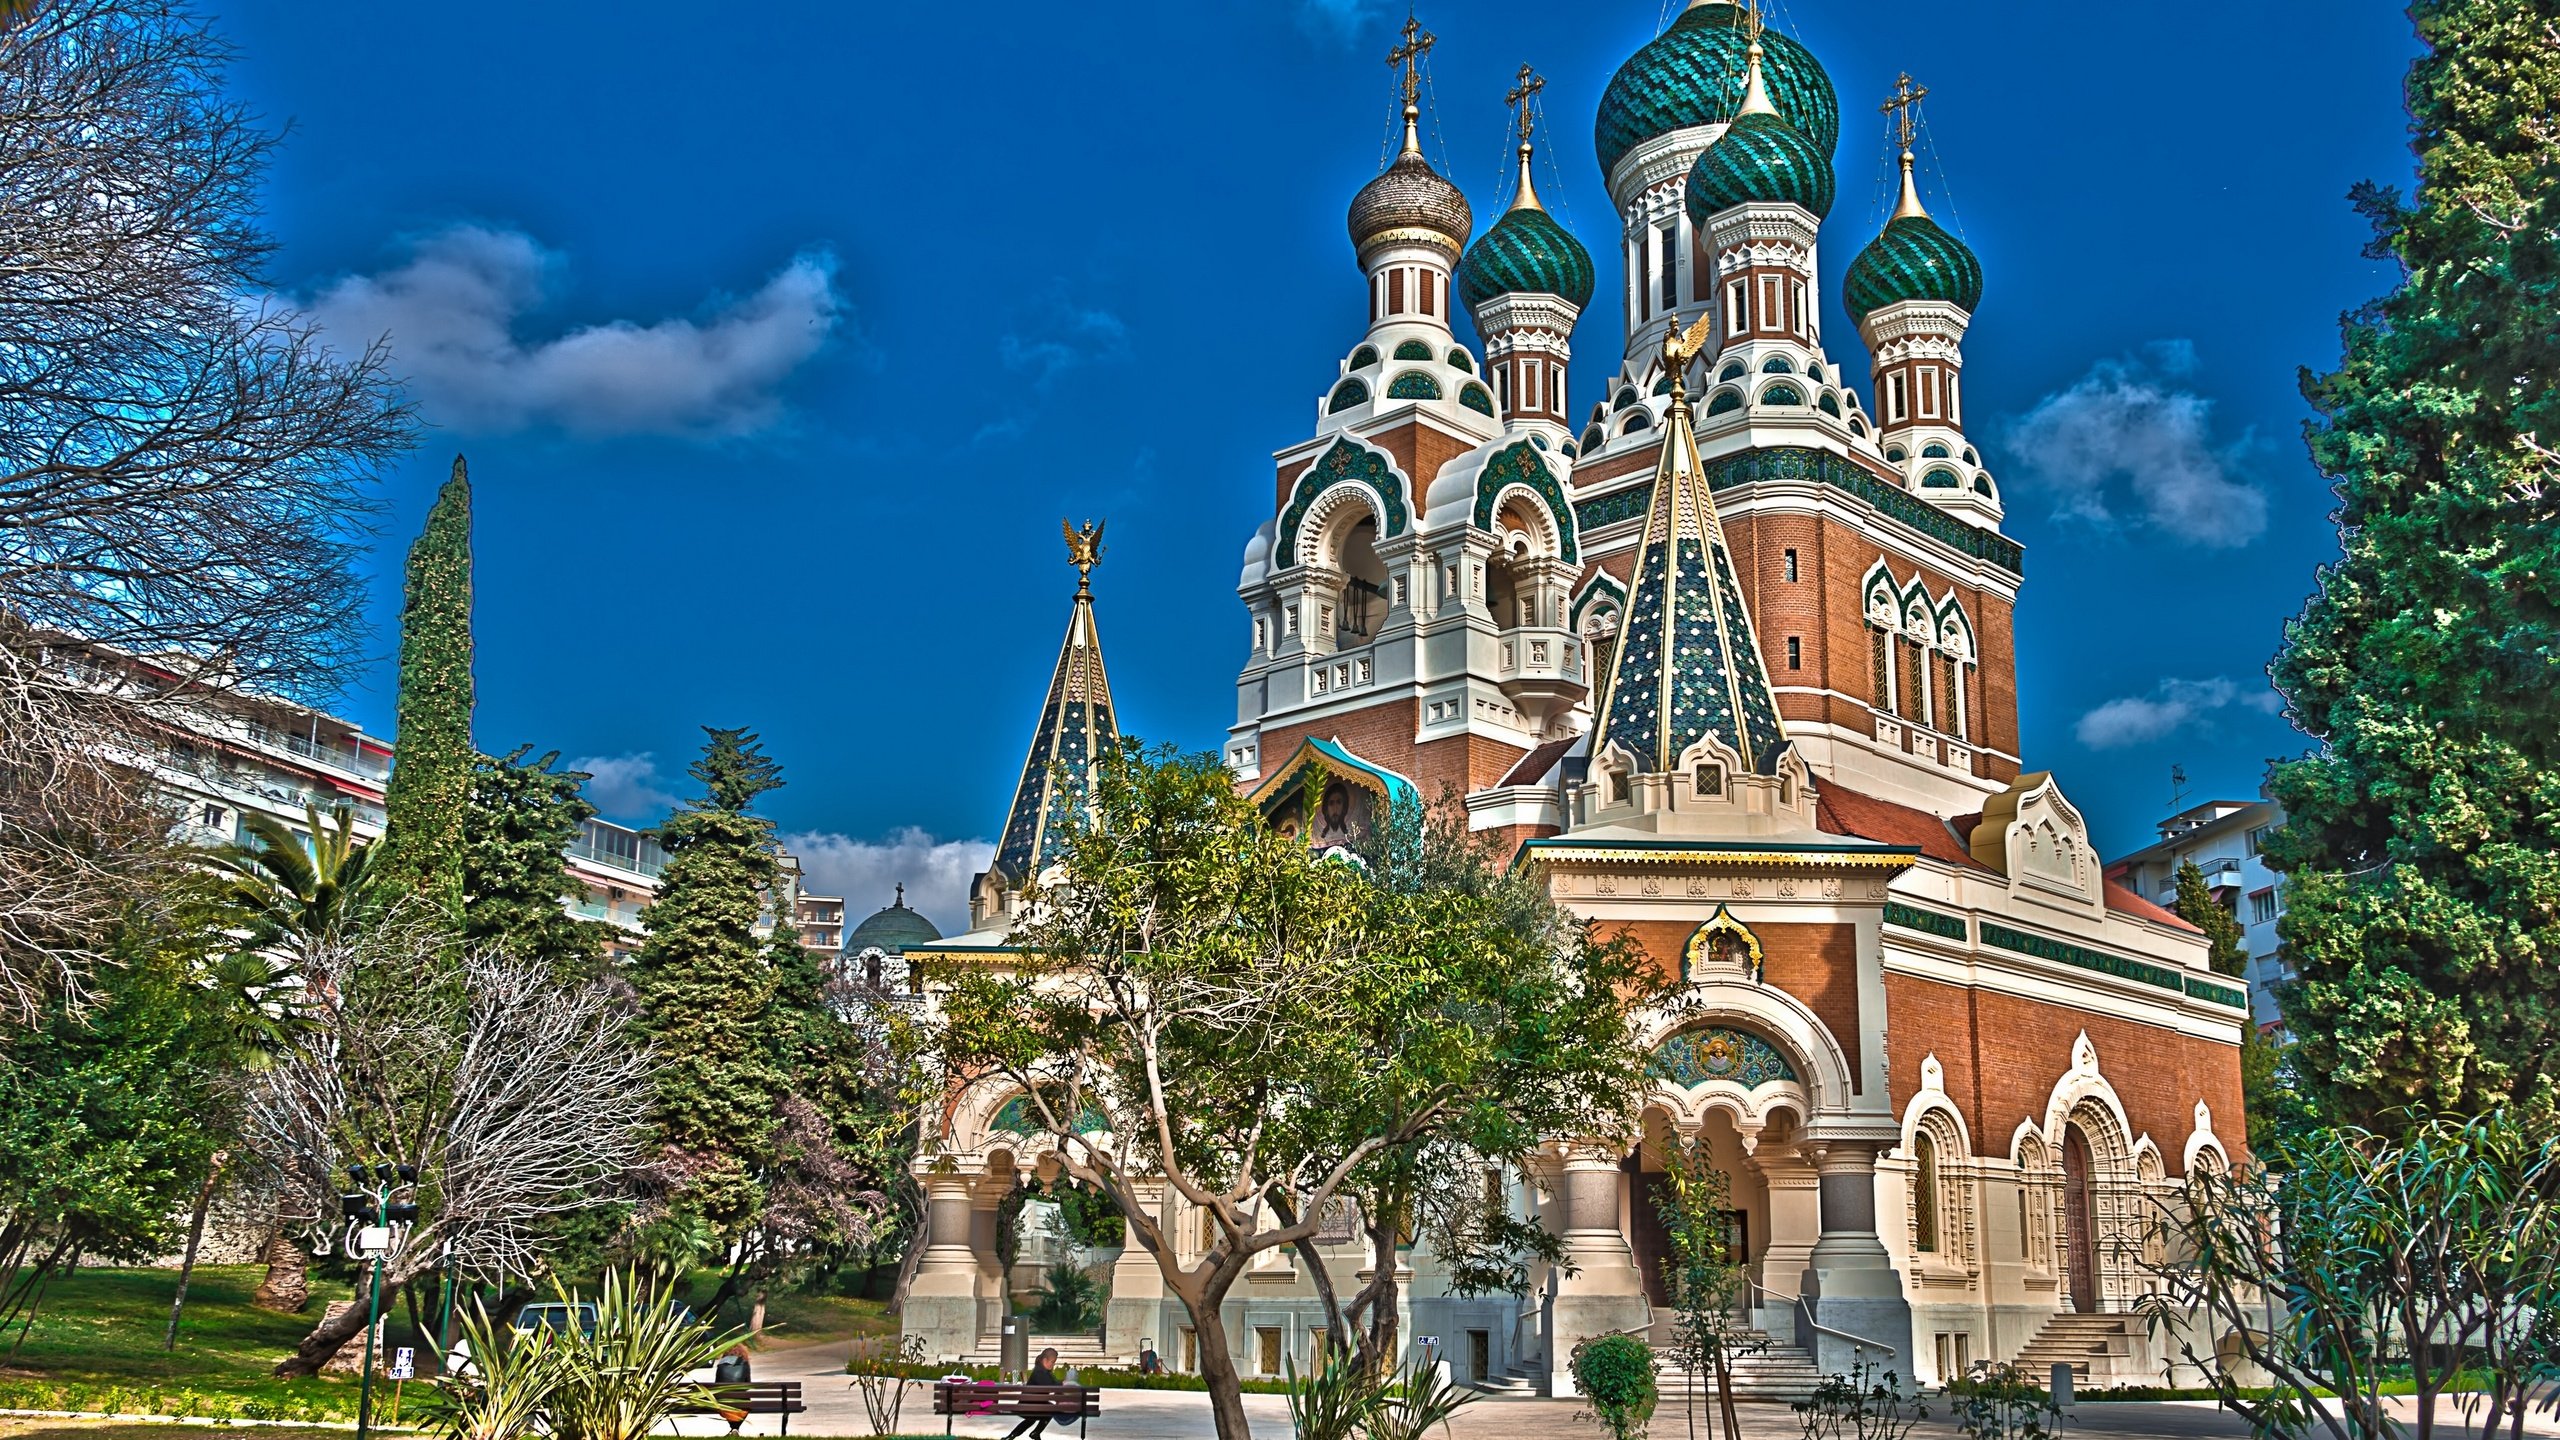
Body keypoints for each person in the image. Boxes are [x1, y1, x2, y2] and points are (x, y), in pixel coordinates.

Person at [1003, 1348, 1063, 1440]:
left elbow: (1053, 1384)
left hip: (1030, 1406)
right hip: (1030, 1406)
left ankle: (1012, 1436)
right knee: (1051, 1410)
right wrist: (1062, 1384)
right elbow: (1050, 1385)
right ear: (1045, 1360)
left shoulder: (1043, 1371)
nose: (1053, 1364)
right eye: (1052, 1362)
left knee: (1031, 1419)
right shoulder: (1040, 1372)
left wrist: (1061, 1383)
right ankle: (1035, 1433)